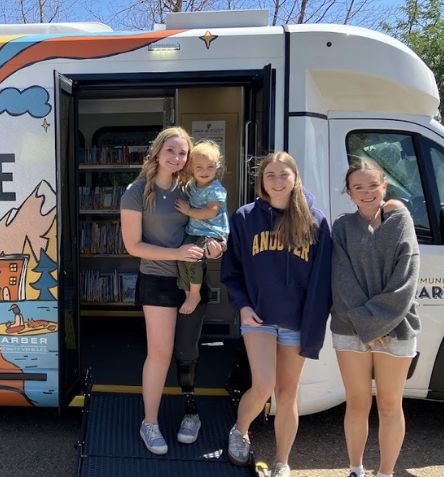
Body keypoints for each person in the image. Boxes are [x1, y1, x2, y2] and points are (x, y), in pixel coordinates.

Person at [220, 151, 332, 477]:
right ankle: (240, 430)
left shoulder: (315, 222)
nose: (278, 181)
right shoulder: (244, 218)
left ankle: (283, 461)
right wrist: (242, 304)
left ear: (295, 178)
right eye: (271, 175)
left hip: (296, 321)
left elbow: (322, 280)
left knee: (287, 394)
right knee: (263, 384)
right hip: (259, 319)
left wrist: (314, 323)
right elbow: (232, 269)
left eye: (284, 174)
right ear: (261, 181)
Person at [120, 127, 225, 455]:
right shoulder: (137, 192)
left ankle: (190, 413)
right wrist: (176, 253)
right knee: (160, 354)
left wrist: (219, 246)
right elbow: (133, 246)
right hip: (157, 280)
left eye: (183, 153)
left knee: (188, 352)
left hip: (191, 279)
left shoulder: (193, 188)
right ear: (157, 152)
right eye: (171, 151)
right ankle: (149, 422)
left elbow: (216, 225)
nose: (177, 158)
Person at [331, 158, 420, 477]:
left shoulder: (401, 221)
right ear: (349, 192)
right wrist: (368, 326)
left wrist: (377, 324)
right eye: (358, 187)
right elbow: (340, 279)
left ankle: (385, 472)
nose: (366, 192)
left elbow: (405, 280)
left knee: (389, 405)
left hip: (397, 328)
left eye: (372, 185)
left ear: (385, 187)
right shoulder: (341, 227)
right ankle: (355, 469)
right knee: (356, 403)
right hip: (350, 328)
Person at [175, 140, 229, 315]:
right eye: (199, 167)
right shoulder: (192, 185)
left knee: (194, 259)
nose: (205, 172)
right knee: (181, 259)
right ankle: (188, 292)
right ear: (191, 168)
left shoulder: (215, 188)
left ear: (217, 166)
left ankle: (195, 294)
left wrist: (189, 210)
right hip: (195, 231)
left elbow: (211, 212)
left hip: (212, 233)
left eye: (210, 167)